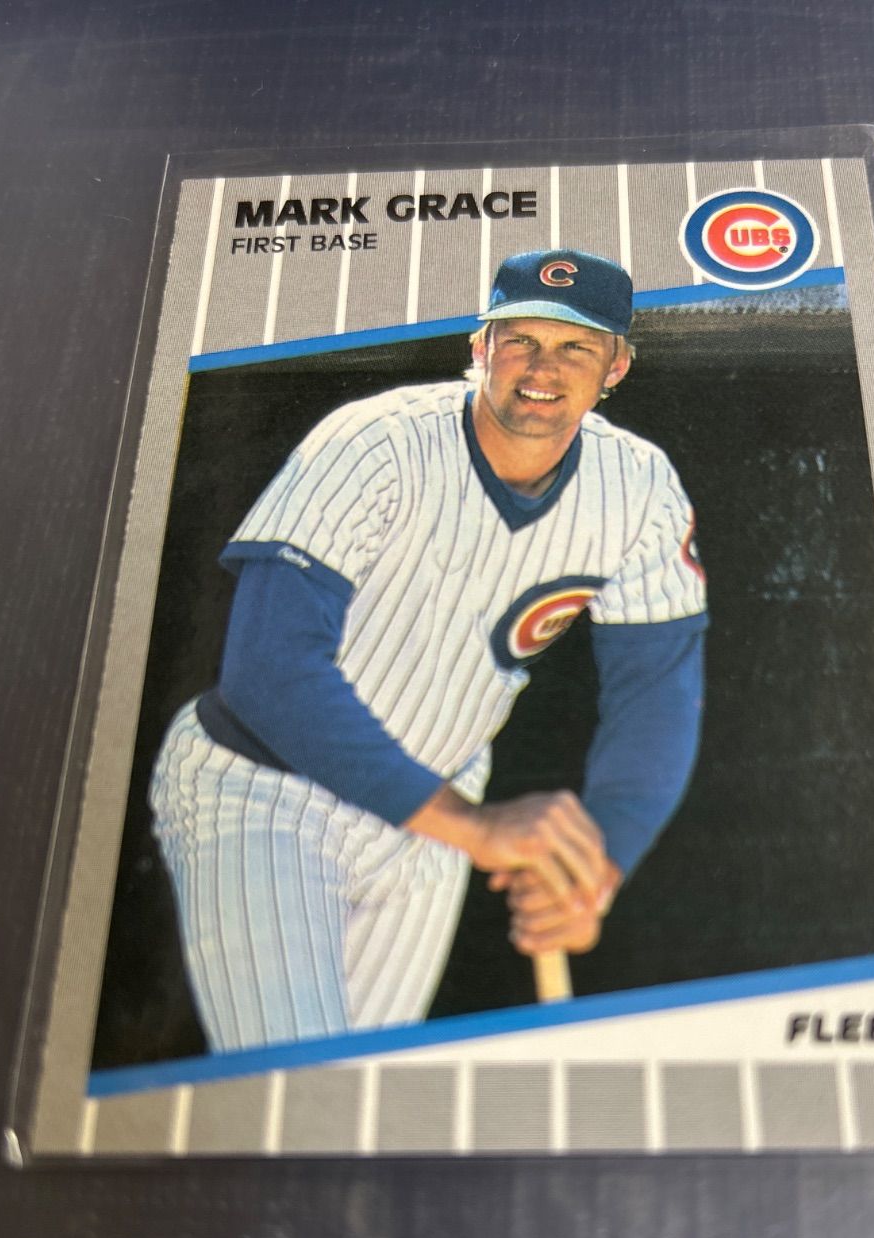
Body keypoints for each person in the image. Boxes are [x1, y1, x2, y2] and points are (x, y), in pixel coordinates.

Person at [148, 248, 707, 1051]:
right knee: (294, 1092)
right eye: (521, 340)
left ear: (615, 366)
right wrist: (475, 829)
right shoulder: (375, 442)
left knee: (365, 1101)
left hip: (435, 815)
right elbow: (268, 673)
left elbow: (656, 693)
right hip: (265, 792)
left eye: (576, 347)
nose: (542, 368)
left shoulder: (640, 487)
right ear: (480, 346)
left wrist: (595, 871)